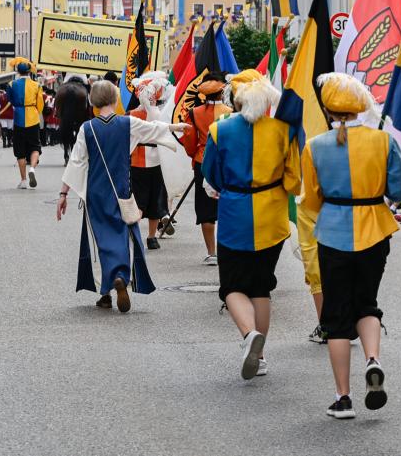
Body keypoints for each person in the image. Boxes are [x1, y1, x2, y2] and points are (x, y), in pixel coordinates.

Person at [299, 73, 401, 417]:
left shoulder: (315, 146)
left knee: (335, 315)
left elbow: (311, 199)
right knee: (367, 303)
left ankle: (343, 397)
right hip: (375, 229)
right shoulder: (383, 141)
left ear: (328, 109)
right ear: (360, 107)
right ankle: (373, 358)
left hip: (333, 232)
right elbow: (400, 191)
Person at [201, 70, 300, 381]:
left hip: (235, 213)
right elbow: (294, 180)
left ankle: (249, 335)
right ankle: (262, 355)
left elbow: (211, 174)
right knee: (261, 287)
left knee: (231, 286)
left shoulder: (220, 130)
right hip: (272, 217)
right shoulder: (284, 131)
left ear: (236, 99)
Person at [56, 79, 186, 312]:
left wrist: (63, 194)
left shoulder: (87, 128)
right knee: (123, 236)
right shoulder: (127, 123)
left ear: (92, 102)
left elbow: (76, 162)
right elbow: (153, 128)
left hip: (95, 193)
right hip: (121, 190)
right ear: (115, 99)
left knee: (100, 240)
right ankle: (122, 277)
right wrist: (174, 127)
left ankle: (105, 292)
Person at [179, 75, 229, 265]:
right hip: (226, 163)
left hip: (203, 162)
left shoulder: (194, 113)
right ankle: (227, 251)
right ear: (221, 93)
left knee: (205, 208)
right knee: (227, 205)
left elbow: (189, 141)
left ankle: (211, 252)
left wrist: (195, 156)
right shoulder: (231, 112)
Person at [128, 71, 173, 250]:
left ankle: (134, 233)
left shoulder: (131, 115)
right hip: (157, 161)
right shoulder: (161, 114)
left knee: (138, 200)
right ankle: (152, 237)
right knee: (155, 199)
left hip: (137, 162)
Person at [6, 59, 44, 189]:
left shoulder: (11, 84)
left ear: (18, 71)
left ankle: (23, 181)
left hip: (19, 118)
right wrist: (36, 112)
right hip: (32, 117)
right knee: (35, 146)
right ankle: (32, 168)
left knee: (20, 150)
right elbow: (40, 104)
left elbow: (10, 100)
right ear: (29, 71)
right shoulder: (37, 85)